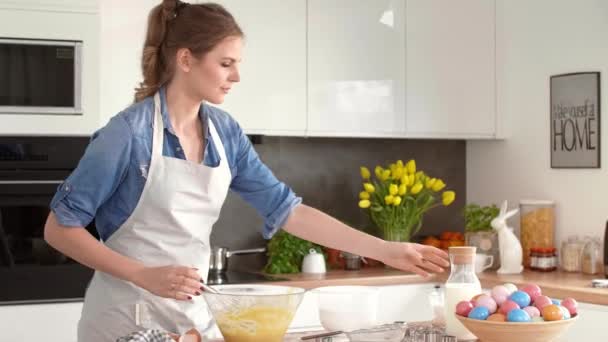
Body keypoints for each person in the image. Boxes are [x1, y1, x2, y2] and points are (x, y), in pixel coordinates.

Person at [43, 1, 450, 341]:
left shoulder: (224, 132)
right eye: (225, 63)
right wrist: (143, 275)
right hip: (123, 320)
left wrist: (386, 250)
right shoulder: (127, 134)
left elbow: (289, 210)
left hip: (191, 324)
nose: (236, 76)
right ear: (186, 59)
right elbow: (59, 228)